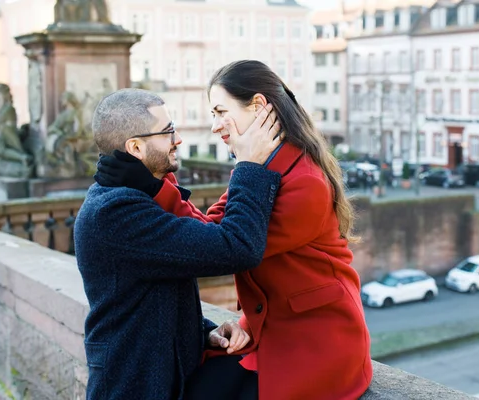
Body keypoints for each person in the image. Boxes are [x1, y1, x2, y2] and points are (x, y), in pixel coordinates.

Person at [95, 61, 373, 400]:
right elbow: (211, 229)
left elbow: (229, 245)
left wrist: (155, 183)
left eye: (221, 111)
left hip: (318, 340)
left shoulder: (304, 182)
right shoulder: (265, 167)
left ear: (257, 106)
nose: (215, 126)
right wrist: (244, 324)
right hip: (276, 330)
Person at [75, 88, 283, 400]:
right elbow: (237, 246)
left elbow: (147, 297)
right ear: (136, 147)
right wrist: (249, 165)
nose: (178, 139)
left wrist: (204, 333)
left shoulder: (134, 195)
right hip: (132, 388)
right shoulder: (115, 212)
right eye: (168, 131)